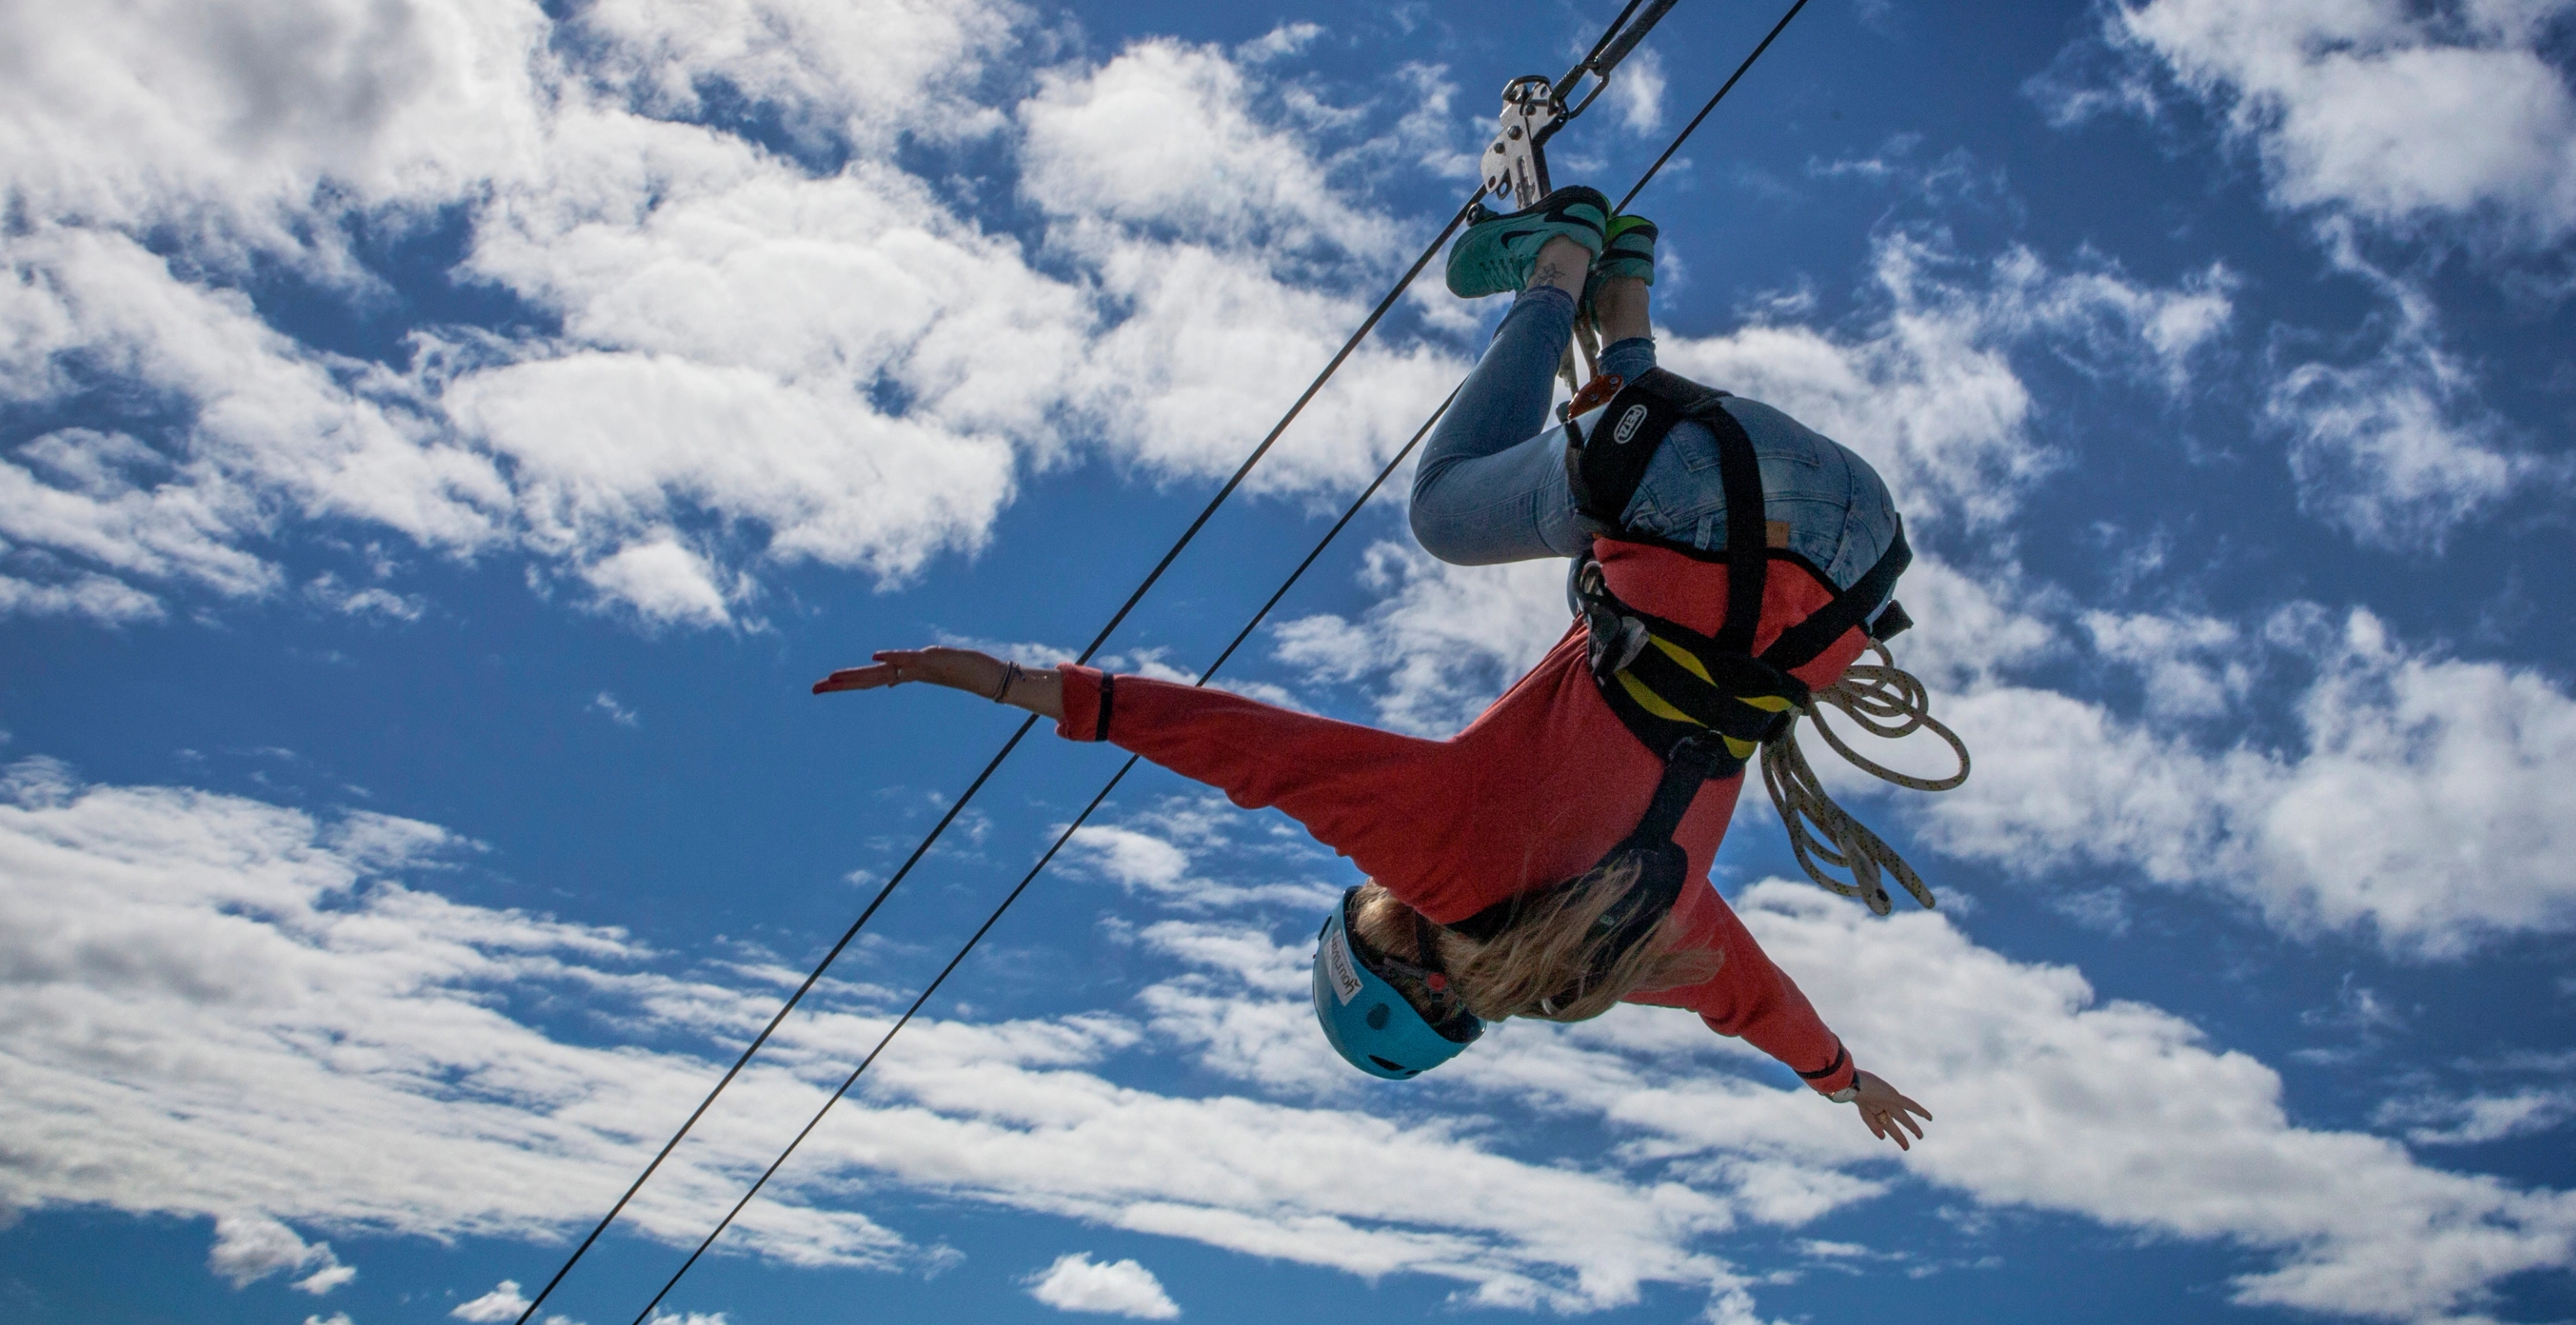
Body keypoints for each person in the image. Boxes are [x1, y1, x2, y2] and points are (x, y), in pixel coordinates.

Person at [817, 187, 1936, 1150]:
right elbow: (1246, 752)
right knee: (1447, 510)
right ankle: (1561, 259)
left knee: (1618, 562)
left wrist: (1845, 1080)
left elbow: (1756, 1004)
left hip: (1852, 561)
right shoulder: (1444, 860)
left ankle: (1626, 285)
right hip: (1699, 490)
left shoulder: (1649, 944)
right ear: (1390, 935)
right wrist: (1004, 683)